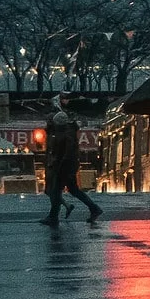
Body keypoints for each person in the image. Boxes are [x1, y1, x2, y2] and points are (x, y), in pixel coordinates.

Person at [40, 94, 103, 225]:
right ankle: (94, 208)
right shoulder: (68, 132)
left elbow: (65, 153)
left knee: (56, 191)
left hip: (64, 168)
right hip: (68, 167)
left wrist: (59, 166)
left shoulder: (65, 135)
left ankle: (53, 217)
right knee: (73, 190)